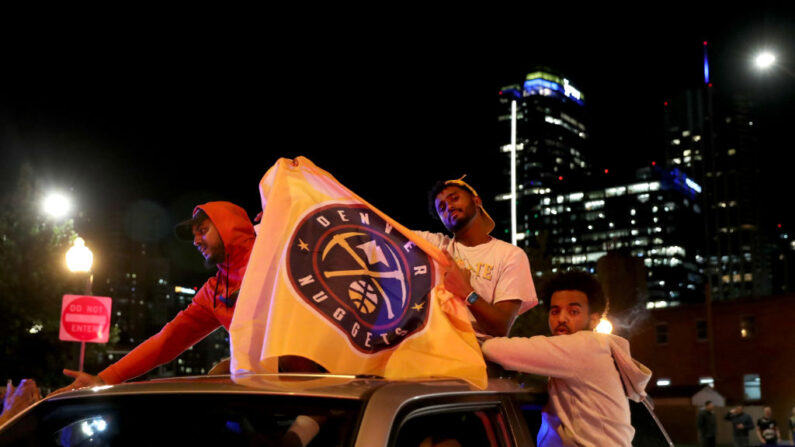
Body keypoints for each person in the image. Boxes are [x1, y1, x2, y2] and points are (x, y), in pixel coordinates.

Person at [52, 201, 256, 393]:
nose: (195, 242)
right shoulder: (214, 292)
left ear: (230, 228)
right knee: (217, 378)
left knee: (225, 371)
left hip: (284, 373)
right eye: (194, 235)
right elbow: (168, 340)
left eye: (203, 231)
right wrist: (104, 379)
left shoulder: (273, 257)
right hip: (267, 377)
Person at [481, 270, 651, 447]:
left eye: (573, 311)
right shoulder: (594, 351)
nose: (562, 318)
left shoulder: (584, 346)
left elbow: (494, 349)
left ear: (594, 320)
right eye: (555, 311)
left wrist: (470, 297)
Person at [415, 177, 537, 339]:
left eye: (454, 198)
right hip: (437, 347)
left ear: (477, 200)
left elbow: (500, 328)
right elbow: (384, 233)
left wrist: (466, 291)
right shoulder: (436, 245)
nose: (449, 207)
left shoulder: (511, 255)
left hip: (481, 354)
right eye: (442, 208)